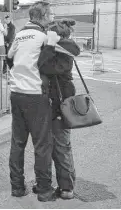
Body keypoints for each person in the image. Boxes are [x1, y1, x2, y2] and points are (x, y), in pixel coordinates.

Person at [6, 1, 58, 202]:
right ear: (43, 16)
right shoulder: (44, 37)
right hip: (36, 96)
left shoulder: (19, 35)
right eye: (50, 14)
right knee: (42, 144)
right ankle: (44, 190)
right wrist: (52, 44)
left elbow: (9, 60)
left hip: (17, 93)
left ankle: (17, 187)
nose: (52, 17)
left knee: (18, 143)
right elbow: (47, 64)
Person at [37, 19, 81, 200]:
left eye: (49, 33)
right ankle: (47, 183)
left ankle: (66, 187)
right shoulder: (55, 49)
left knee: (61, 146)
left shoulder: (64, 50)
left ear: (58, 36)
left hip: (59, 106)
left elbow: (45, 66)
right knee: (47, 147)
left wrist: (46, 48)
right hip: (48, 104)